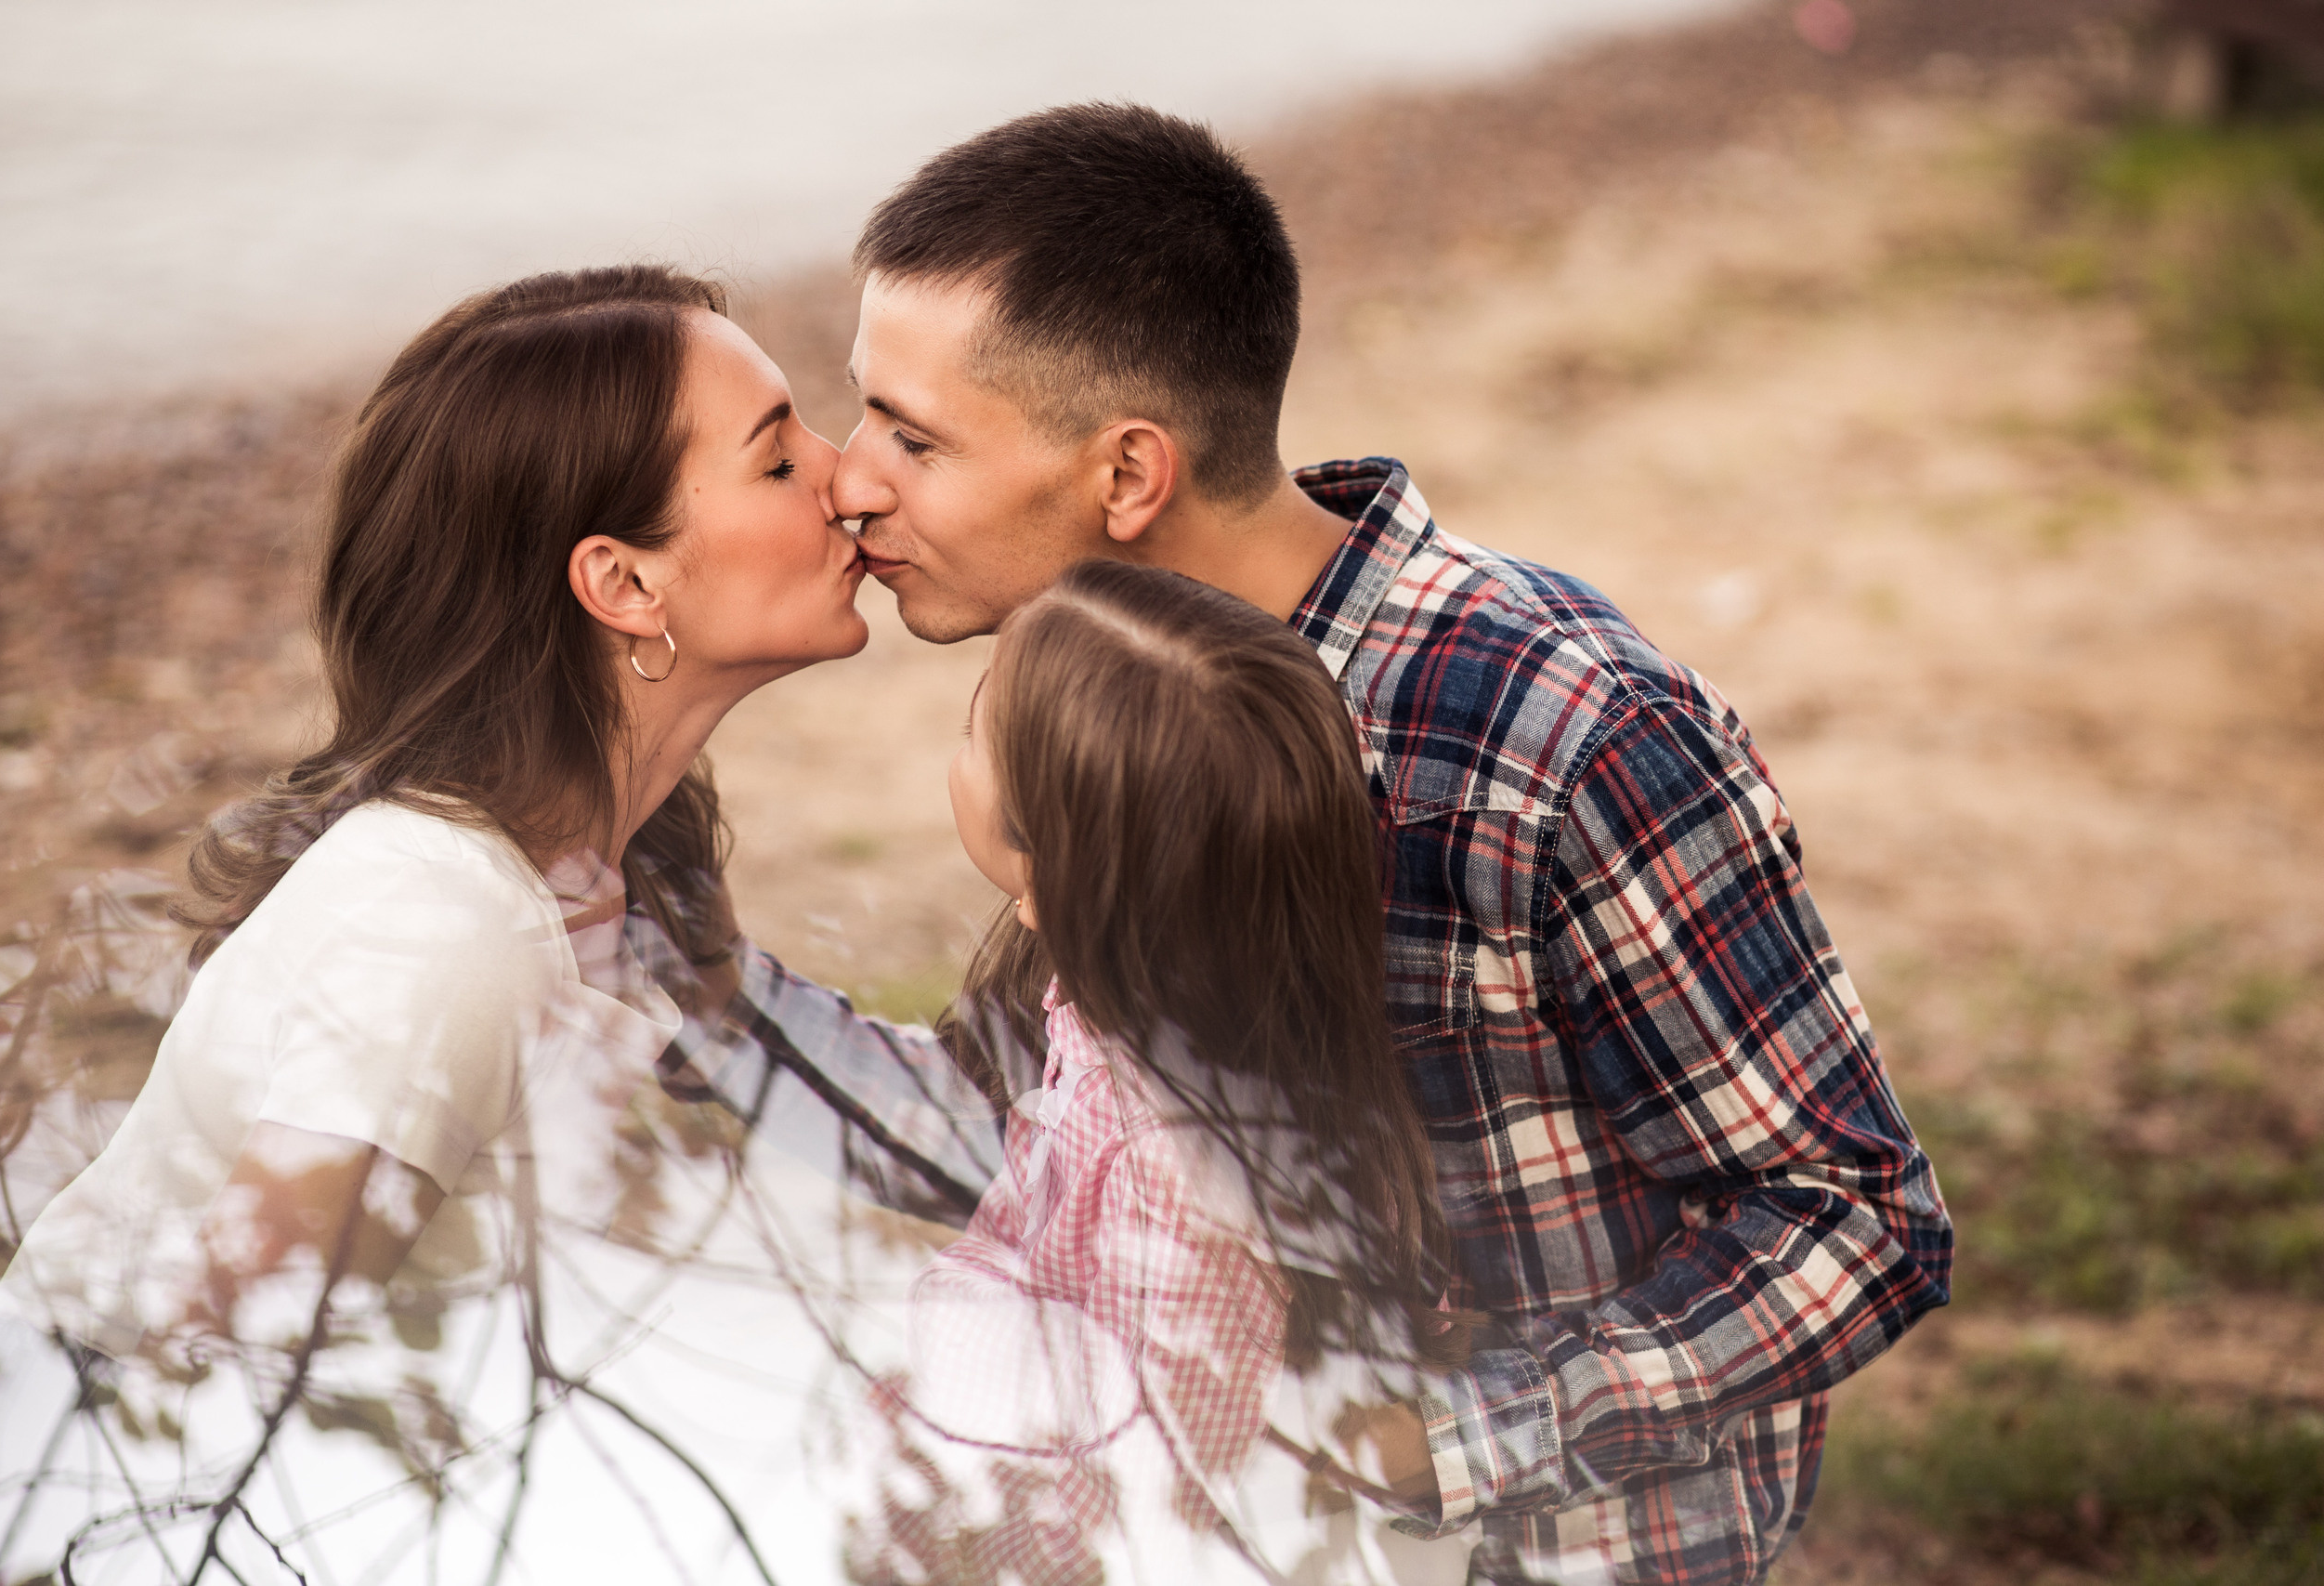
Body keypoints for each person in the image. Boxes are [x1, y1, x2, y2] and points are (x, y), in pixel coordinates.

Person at [690, 104, 1954, 1585]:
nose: (850, 479)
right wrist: (658, 976)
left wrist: (1434, 1444)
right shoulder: (1107, 708)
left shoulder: (1561, 736)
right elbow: (1007, 1120)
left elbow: (1854, 1216)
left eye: (911, 435)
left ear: (1127, 475)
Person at [0, 263, 868, 1364]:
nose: (852, 479)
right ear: (627, 586)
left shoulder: (592, 873)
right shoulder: (448, 928)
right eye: (782, 460)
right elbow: (214, 1380)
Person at [849, 560, 1469, 1583]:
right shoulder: (1143, 1017)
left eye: (973, 733)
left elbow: (1159, 1482)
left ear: (1047, 877)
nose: (954, 753)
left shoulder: (1176, 1169)